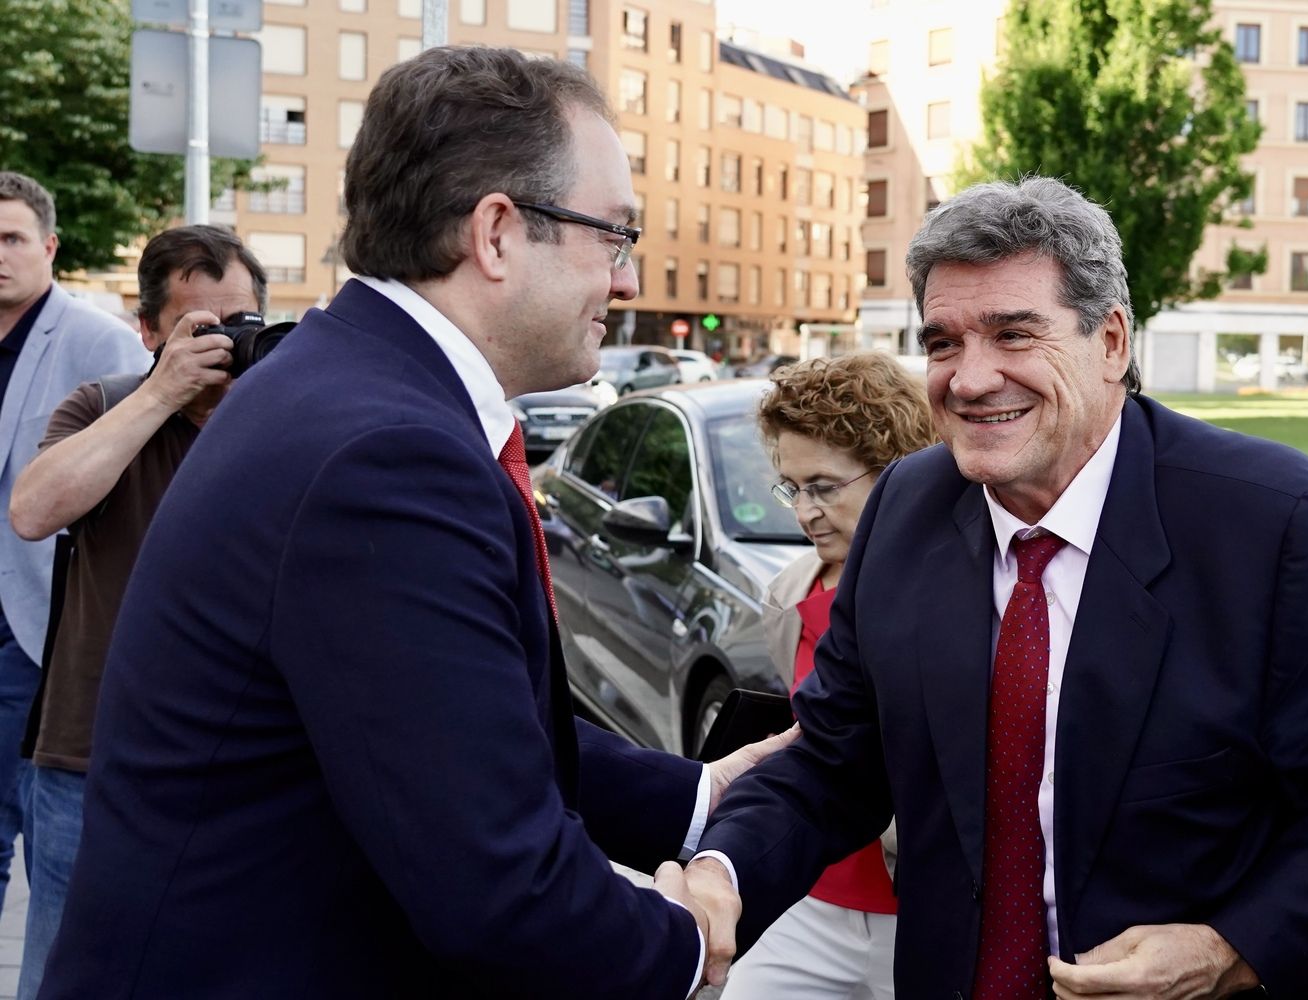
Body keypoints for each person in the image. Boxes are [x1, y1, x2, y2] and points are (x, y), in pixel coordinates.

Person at [38, 47, 788, 1000]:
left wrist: (694, 793)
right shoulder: (387, 454)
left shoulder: (349, 387)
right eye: (616, 235)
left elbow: (435, 719)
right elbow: (499, 887)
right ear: (499, 233)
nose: (629, 280)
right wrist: (685, 941)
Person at [686, 177, 1308, 1000]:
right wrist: (725, 870)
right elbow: (834, 762)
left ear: (1111, 341)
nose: (970, 380)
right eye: (942, 344)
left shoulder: (1276, 525)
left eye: (1014, 335)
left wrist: (1229, 948)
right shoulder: (905, 507)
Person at [9, 224, 266, 1000]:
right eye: (201, 326)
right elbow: (32, 510)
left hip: (241, 761)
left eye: (241, 321)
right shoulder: (106, 405)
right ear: (151, 331)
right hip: (91, 754)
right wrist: (162, 391)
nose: (225, 343)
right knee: (66, 971)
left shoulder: (284, 418)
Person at [721, 351, 934, 1000]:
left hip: (919, 915)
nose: (804, 511)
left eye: (823, 486)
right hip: (810, 901)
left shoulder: (959, 595)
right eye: (792, 488)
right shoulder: (789, 592)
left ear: (898, 471)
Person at [0, 171, 147, 912]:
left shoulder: (99, 340)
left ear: (50, 246)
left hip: (36, 631)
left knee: (41, 832)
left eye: (12, 238)